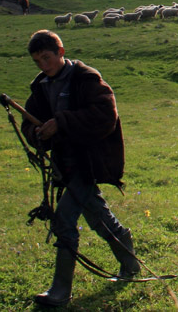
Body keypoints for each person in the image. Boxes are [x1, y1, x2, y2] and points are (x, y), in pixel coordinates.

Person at [22, 30, 139, 307]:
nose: (43, 65)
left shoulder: (86, 79)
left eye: (47, 58)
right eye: (37, 61)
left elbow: (106, 115)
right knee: (99, 218)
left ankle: (60, 292)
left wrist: (62, 122)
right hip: (64, 166)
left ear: (60, 52)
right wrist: (37, 133)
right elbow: (31, 122)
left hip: (88, 162)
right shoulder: (40, 86)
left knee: (64, 221)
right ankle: (130, 264)